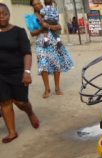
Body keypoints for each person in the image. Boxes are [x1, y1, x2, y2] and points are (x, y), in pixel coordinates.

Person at [0, 3, 40, 143]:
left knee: (21, 102)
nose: (2, 17)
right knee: (5, 102)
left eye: (4, 14)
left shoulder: (19, 32)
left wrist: (27, 72)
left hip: (18, 73)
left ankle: (30, 112)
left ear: (9, 15)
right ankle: (12, 132)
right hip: (1, 75)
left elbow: (27, 53)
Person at [25, 0, 74, 98]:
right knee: (43, 65)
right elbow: (32, 33)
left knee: (56, 64)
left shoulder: (50, 12)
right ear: (32, 6)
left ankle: (57, 88)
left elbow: (59, 26)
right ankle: (47, 89)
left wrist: (49, 26)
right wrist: (41, 29)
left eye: (38, 3)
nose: (37, 5)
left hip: (54, 41)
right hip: (41, 43)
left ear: (41, 3)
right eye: (35, 4)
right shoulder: (30, 18)